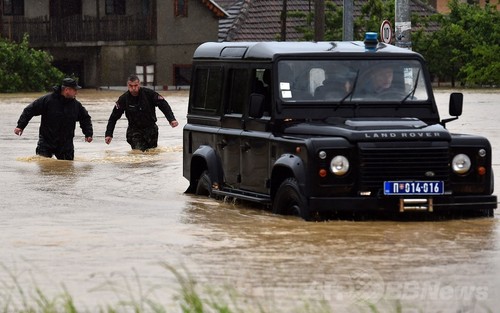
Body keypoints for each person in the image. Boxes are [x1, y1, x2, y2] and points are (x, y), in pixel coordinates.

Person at [14, 78, 93, 160]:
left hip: (66, 144)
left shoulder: (76, 105)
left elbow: (85, 118)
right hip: (46, 141)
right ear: (67, 90)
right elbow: (29, 110)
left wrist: (88, 133)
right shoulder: (47, 100)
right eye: (75, 90)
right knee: (44, 166)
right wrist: (20, 126)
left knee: (67, 168)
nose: (76, 92)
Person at [105, 74, 179, 151]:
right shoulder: (123, 99)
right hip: (134, 130)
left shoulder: (149, 94)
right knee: (138, 153)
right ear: (127, 85)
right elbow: (113, 117)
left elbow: (164, 105)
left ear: (139, 84)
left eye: (135, 85)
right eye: (131, 86)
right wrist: (109, 134)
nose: (133, 88)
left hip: (150, 129)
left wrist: (171, 119)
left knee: (151, 153)